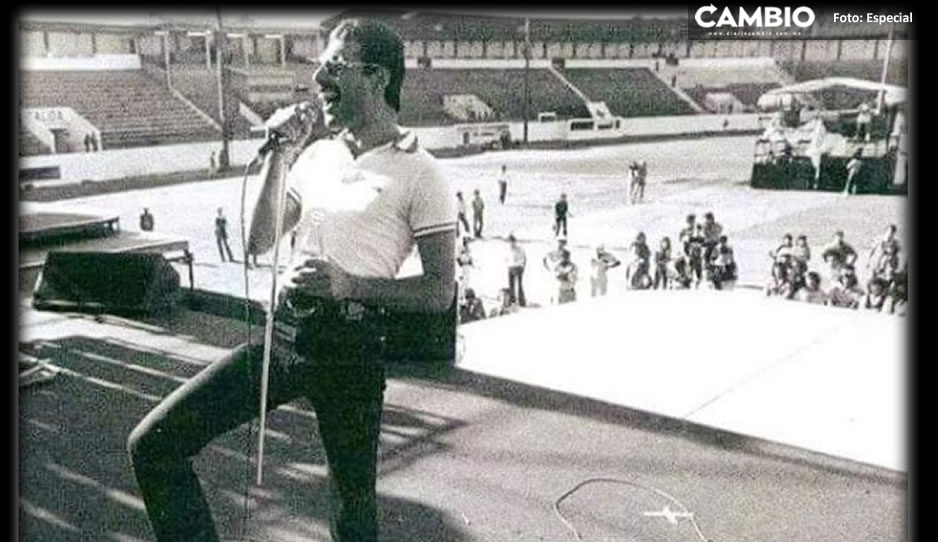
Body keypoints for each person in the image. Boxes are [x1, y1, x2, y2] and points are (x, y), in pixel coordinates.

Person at [127, 19, 456, 542]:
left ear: (376, 76)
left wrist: (351, 285)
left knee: (353, 514)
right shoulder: (318, 154)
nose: (318, 75)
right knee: (154, 444)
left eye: (335, 65)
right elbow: (259, 239)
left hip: (352, 346)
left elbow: (439, 292)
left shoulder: (422, 172)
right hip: (286, 336)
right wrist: (280, 153)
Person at [506, 234, 527, 307]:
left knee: (519, 285)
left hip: (518, 268)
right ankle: (512, 300)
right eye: (509, 242)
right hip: (510, 267)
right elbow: (506, 258)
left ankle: (522, 301)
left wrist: (521, 267)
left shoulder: (520, 249)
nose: (511, 243)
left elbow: (523, 259)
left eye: (512, 241)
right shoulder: (508, 249)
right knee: (511, 285)